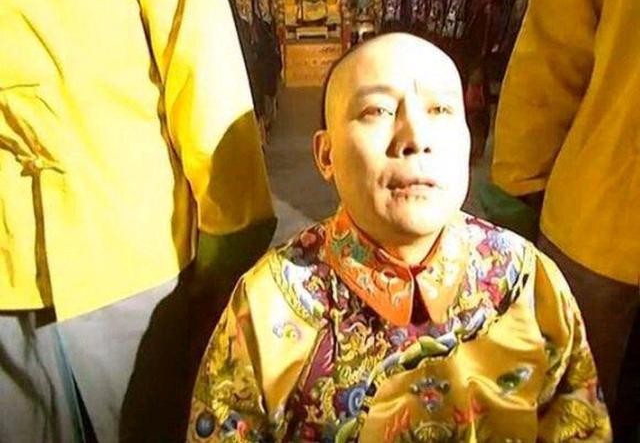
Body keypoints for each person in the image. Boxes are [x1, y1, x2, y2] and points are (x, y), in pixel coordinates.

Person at [187, 33, 610, 442]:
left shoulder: (527, 281)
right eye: (377, 110)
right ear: (326, 154)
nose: (416, 138)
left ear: (468, 141)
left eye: (441, 110)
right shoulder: (270, 304)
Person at [0, 0, 275, 442]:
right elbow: (204, 72)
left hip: (122, 260)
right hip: (127, 253)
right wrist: (227, 252)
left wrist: (228, 247)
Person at [489, 0, 640, 438]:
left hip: (605, 219)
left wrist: (517, 185)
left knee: (572, 410)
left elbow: (553, 50)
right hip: (604, 217)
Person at [423, 0, 495, 162]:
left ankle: (467, 152)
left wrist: (476, 74)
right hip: (444, 61)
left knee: (469, 112)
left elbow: (483, 35)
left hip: (466, 65)